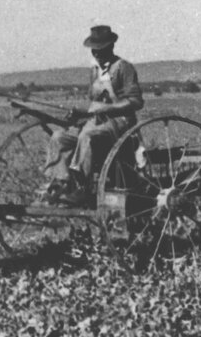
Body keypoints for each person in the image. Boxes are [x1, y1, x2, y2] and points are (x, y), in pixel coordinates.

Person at [42, 24, 144, 205]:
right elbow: (93, 103)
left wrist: (107, 109)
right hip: (95, 121)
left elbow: (136, 101)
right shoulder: (94, 71)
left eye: (100, 50)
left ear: (110, 47)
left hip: (120, 123)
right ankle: (62, 184)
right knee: (59, 137)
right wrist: (79, 114)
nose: (96, 54)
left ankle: (82, 187)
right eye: (93, 51)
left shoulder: (123, 68)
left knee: (87, 136)